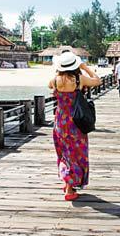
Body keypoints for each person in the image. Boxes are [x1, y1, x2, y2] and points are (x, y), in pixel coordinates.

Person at [48, 51, 101, 201]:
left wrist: (58, 72)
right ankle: (70, 188)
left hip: (60, 121)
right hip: (76, 122)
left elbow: (49, 86)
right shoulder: (79, 79)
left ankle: (67, 180)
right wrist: (85, 67)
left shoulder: (55, 80)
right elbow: (97, 81)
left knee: (64, 152)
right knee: (77, 153)